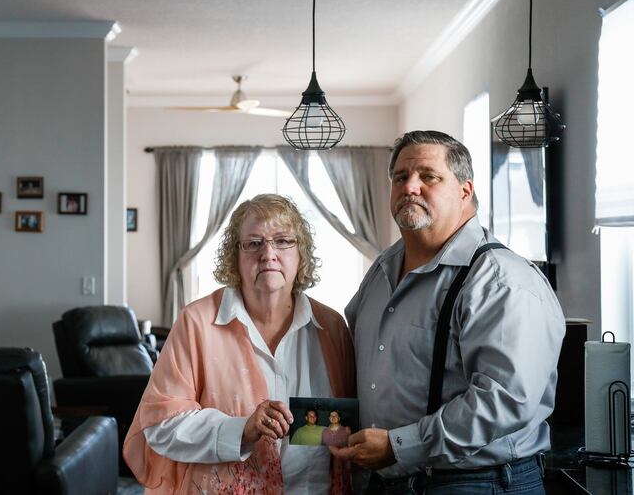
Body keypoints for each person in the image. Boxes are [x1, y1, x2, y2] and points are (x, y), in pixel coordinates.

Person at [330, 131, 565, 494]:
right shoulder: (380, 271)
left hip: (478, 483)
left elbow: (503, 401)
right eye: (400, 177)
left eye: (428, 176)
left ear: (465, 191)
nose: (410, 186)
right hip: (384, 482)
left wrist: (397, 446)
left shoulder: (500, 280)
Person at [124, 193, 355, 494]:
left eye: (283, 241)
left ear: (302, 254)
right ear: (236, 255)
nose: (268, 254)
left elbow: (347, 425)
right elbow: (159, 426)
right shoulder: (196, 322)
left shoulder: (332, 326)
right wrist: (242, 430)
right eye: (254, 243)